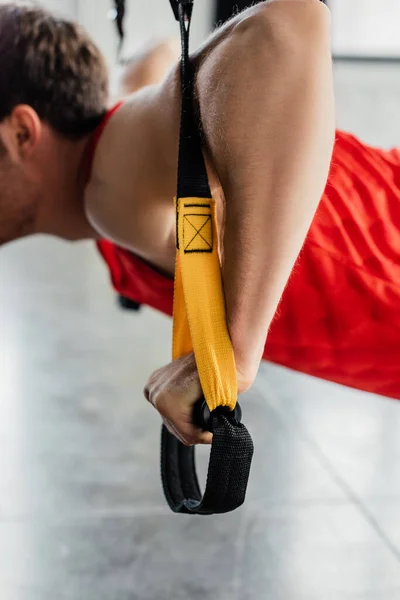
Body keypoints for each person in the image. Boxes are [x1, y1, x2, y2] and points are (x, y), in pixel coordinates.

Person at [0, 0, 392, 448]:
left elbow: (289, 25)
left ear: (22, 134)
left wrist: (229, 357)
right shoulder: (117, 138)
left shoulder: (109, 183)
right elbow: (157, 52)